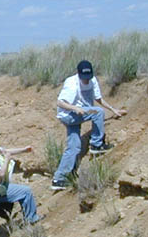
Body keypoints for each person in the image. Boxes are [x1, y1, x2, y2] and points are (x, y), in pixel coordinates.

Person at [51, 60, 126, 191]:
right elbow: (60, 103)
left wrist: (114, 110)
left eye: (88, 77)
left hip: (79, 112)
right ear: (78, 74)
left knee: (73, 147)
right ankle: (97, 145)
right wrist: (74, 108)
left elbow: (98, 98)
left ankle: (59, 179)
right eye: (83, 78)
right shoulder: (72, 84)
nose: (86, 81)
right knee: (97, 112)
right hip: (68, 115)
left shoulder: (93, 80)